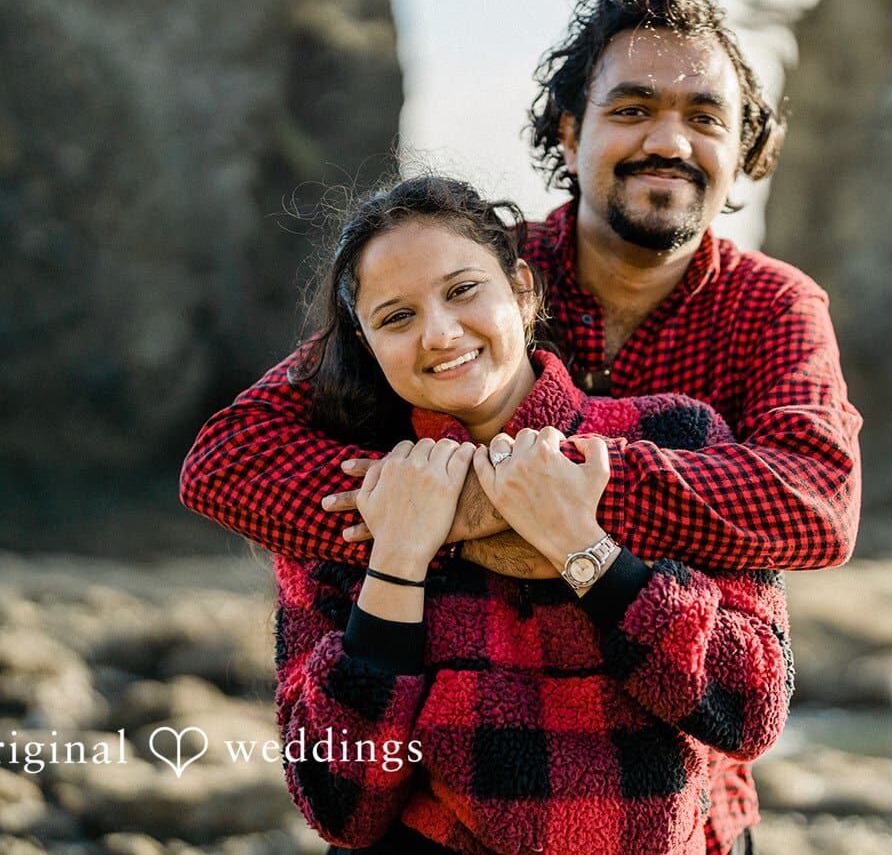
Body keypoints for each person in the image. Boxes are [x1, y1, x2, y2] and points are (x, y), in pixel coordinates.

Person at [181, 0, 862, 853]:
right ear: (568, 132)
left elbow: (815, 503)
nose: (667, 138)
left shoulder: (769, 305)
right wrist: (453, 510)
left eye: (705, 114)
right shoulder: (475, 287)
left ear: (742, 147)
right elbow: (231, 457)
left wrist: (559, 504)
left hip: (682, 786)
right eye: (631, 107)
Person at [276, 175, 791, 854]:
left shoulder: (675, 435)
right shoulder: (353, 486)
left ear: (521, 291)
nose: (438, 332)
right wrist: (397, 560)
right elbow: (339, 806)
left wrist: (582, 547)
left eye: (462, 290)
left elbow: (751, 706)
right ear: (367, 343)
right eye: (396, 316)